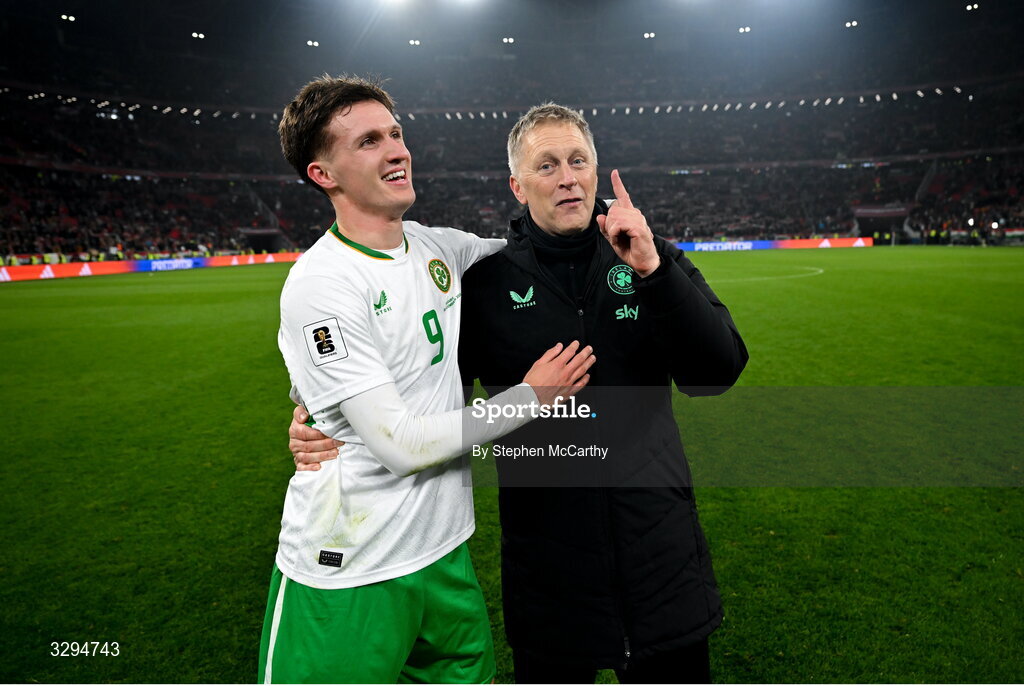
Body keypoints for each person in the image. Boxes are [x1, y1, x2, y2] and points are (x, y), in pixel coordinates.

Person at [290, 103, 747, 683]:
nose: (567, 177)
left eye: (579, 161)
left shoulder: (650, 255)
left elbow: (717, 373)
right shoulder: (484, 282)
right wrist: (316, 415)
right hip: (551, 574)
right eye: (547, 164)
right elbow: (416, 381)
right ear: (516, 185)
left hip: (662, 554)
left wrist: (655, 271)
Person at [264, 79, 595, 684]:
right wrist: (530, 398)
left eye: (395, 133)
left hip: (444, 553)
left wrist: (586, 210)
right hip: (354, 565)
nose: (396, 150)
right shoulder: (323, 284)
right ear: (323, 174)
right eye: (368, 141)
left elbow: (538, 246)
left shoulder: (440, 250)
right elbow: (400, 446)